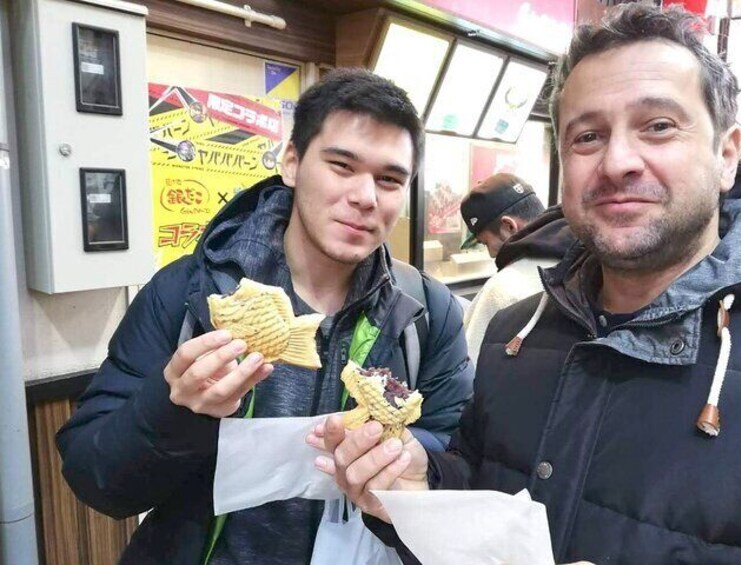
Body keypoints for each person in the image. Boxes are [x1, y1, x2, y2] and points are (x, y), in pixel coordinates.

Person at [313, 5, 741, 564]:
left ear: (727, 155)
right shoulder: (515, 332)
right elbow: (482, 501)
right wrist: (421, 486)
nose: (618, 161)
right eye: (588, 136)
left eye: (658, 126)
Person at [56, 68, 474, 564]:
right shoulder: (190, 294)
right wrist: (172, 411)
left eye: (389, 179)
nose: (366, 196)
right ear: (293, 162)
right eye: (341, 165)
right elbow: (94, 479)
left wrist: (407, 456)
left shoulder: (425, 315)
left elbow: (458, 457)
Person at [458, 173, 568, 363]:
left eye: (485, 243)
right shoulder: (586, 259)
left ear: (509, 226)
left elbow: (467, 370)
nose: (491, 255)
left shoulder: (503, 289)